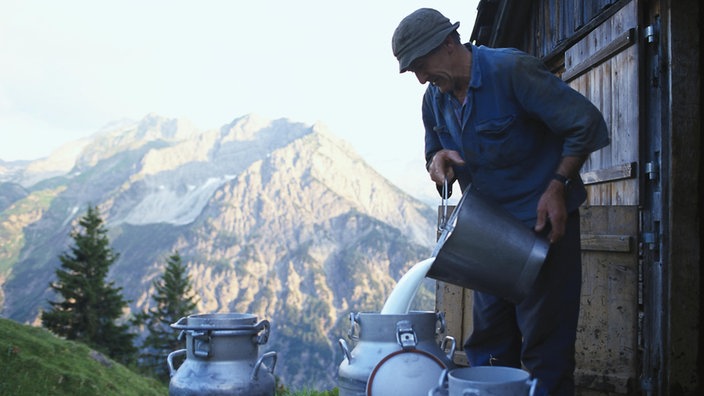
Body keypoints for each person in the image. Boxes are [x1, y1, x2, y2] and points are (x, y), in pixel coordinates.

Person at [392, 8, 610, 396]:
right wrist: (438, 162)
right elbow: (435, 153)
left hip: (542, 228)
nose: (422, 78)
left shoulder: (511, 71)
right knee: (489, 344)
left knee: (545, 349)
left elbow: (587, 124)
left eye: (422, 65)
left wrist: (558, 183)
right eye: (414, 72)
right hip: (487, 236)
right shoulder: (435, 100)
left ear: (448, 43)